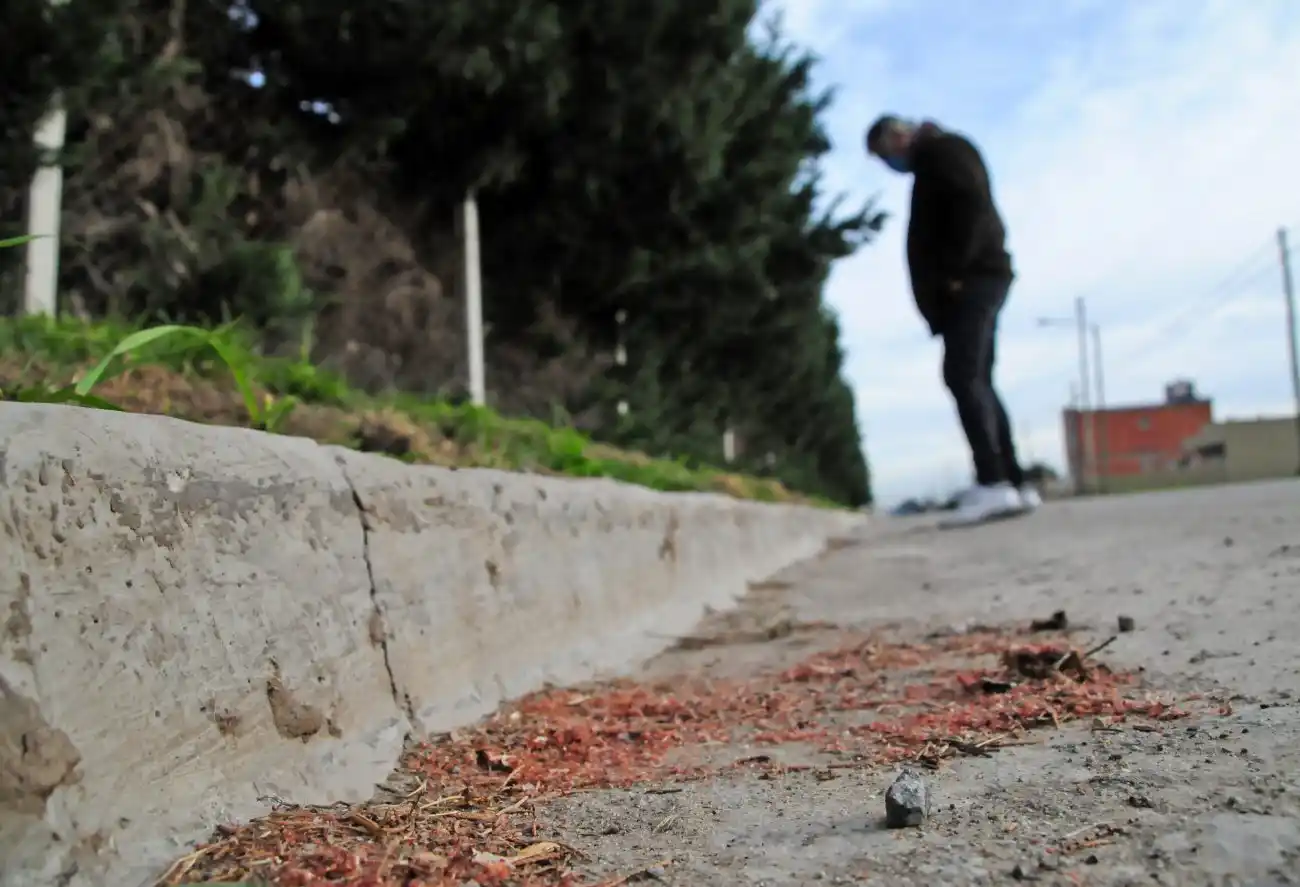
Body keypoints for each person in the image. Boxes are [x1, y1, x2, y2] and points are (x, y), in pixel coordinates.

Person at [865, 114, 1041, 527]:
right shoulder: (936, 159)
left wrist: (954, 276)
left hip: (974, 280)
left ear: (897, 137)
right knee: (977, 376)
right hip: (977, 279)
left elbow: (970, 208)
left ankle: (994, 482)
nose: (888, 164)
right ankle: (1011, 482)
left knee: (962, 375)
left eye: (884, 154)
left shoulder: (943, 153)